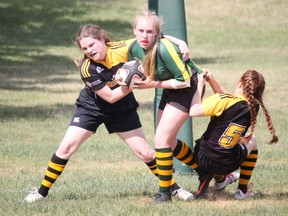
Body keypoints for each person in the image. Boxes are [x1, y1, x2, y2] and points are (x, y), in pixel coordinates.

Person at [24, 24, 194, 203]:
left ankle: (174, 189)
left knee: (146, 153)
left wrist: (181, 42)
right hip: (91, 108)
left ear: (102, 39)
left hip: (122, 110)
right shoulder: (87, 68)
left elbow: (153, 40)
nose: (89, 50)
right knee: (66, 148)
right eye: (84, 48)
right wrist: (134, 82)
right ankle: (41, 192)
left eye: (92, 45)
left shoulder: (121, 49)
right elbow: (111, 97)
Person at [125, 10, 239, 202]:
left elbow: (184, 81)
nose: (145, 36)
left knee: (161, 140)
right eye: (141, 30)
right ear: (134, 31)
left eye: (150, 32)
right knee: (167, 142)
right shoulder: (134, 48)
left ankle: (164, 194)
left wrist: (153, 84)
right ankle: (203, 171)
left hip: (188, 87)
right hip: (170, 87)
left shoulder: (164, 48)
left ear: (157, 33)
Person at [189, 69, 278, 199]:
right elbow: (231, 100)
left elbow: (193, 111)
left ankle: (219, 179)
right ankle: (242, 191)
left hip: (202, 158)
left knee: (213, 144)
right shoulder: (254, 107)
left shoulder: (226, 100)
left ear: (240, 85)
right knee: (252, 140)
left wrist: (200, 84)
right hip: (228, 164)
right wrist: (213, 81)